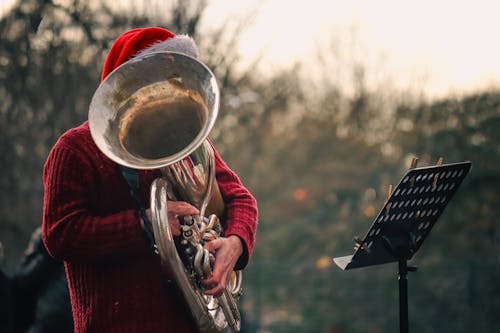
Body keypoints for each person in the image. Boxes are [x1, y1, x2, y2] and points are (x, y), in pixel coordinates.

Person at [42, 27, 258, 333]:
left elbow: (242, 199)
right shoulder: (74, 149)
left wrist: (235, 243)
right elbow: (60, 233)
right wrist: (148, 225)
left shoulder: (191, 143)